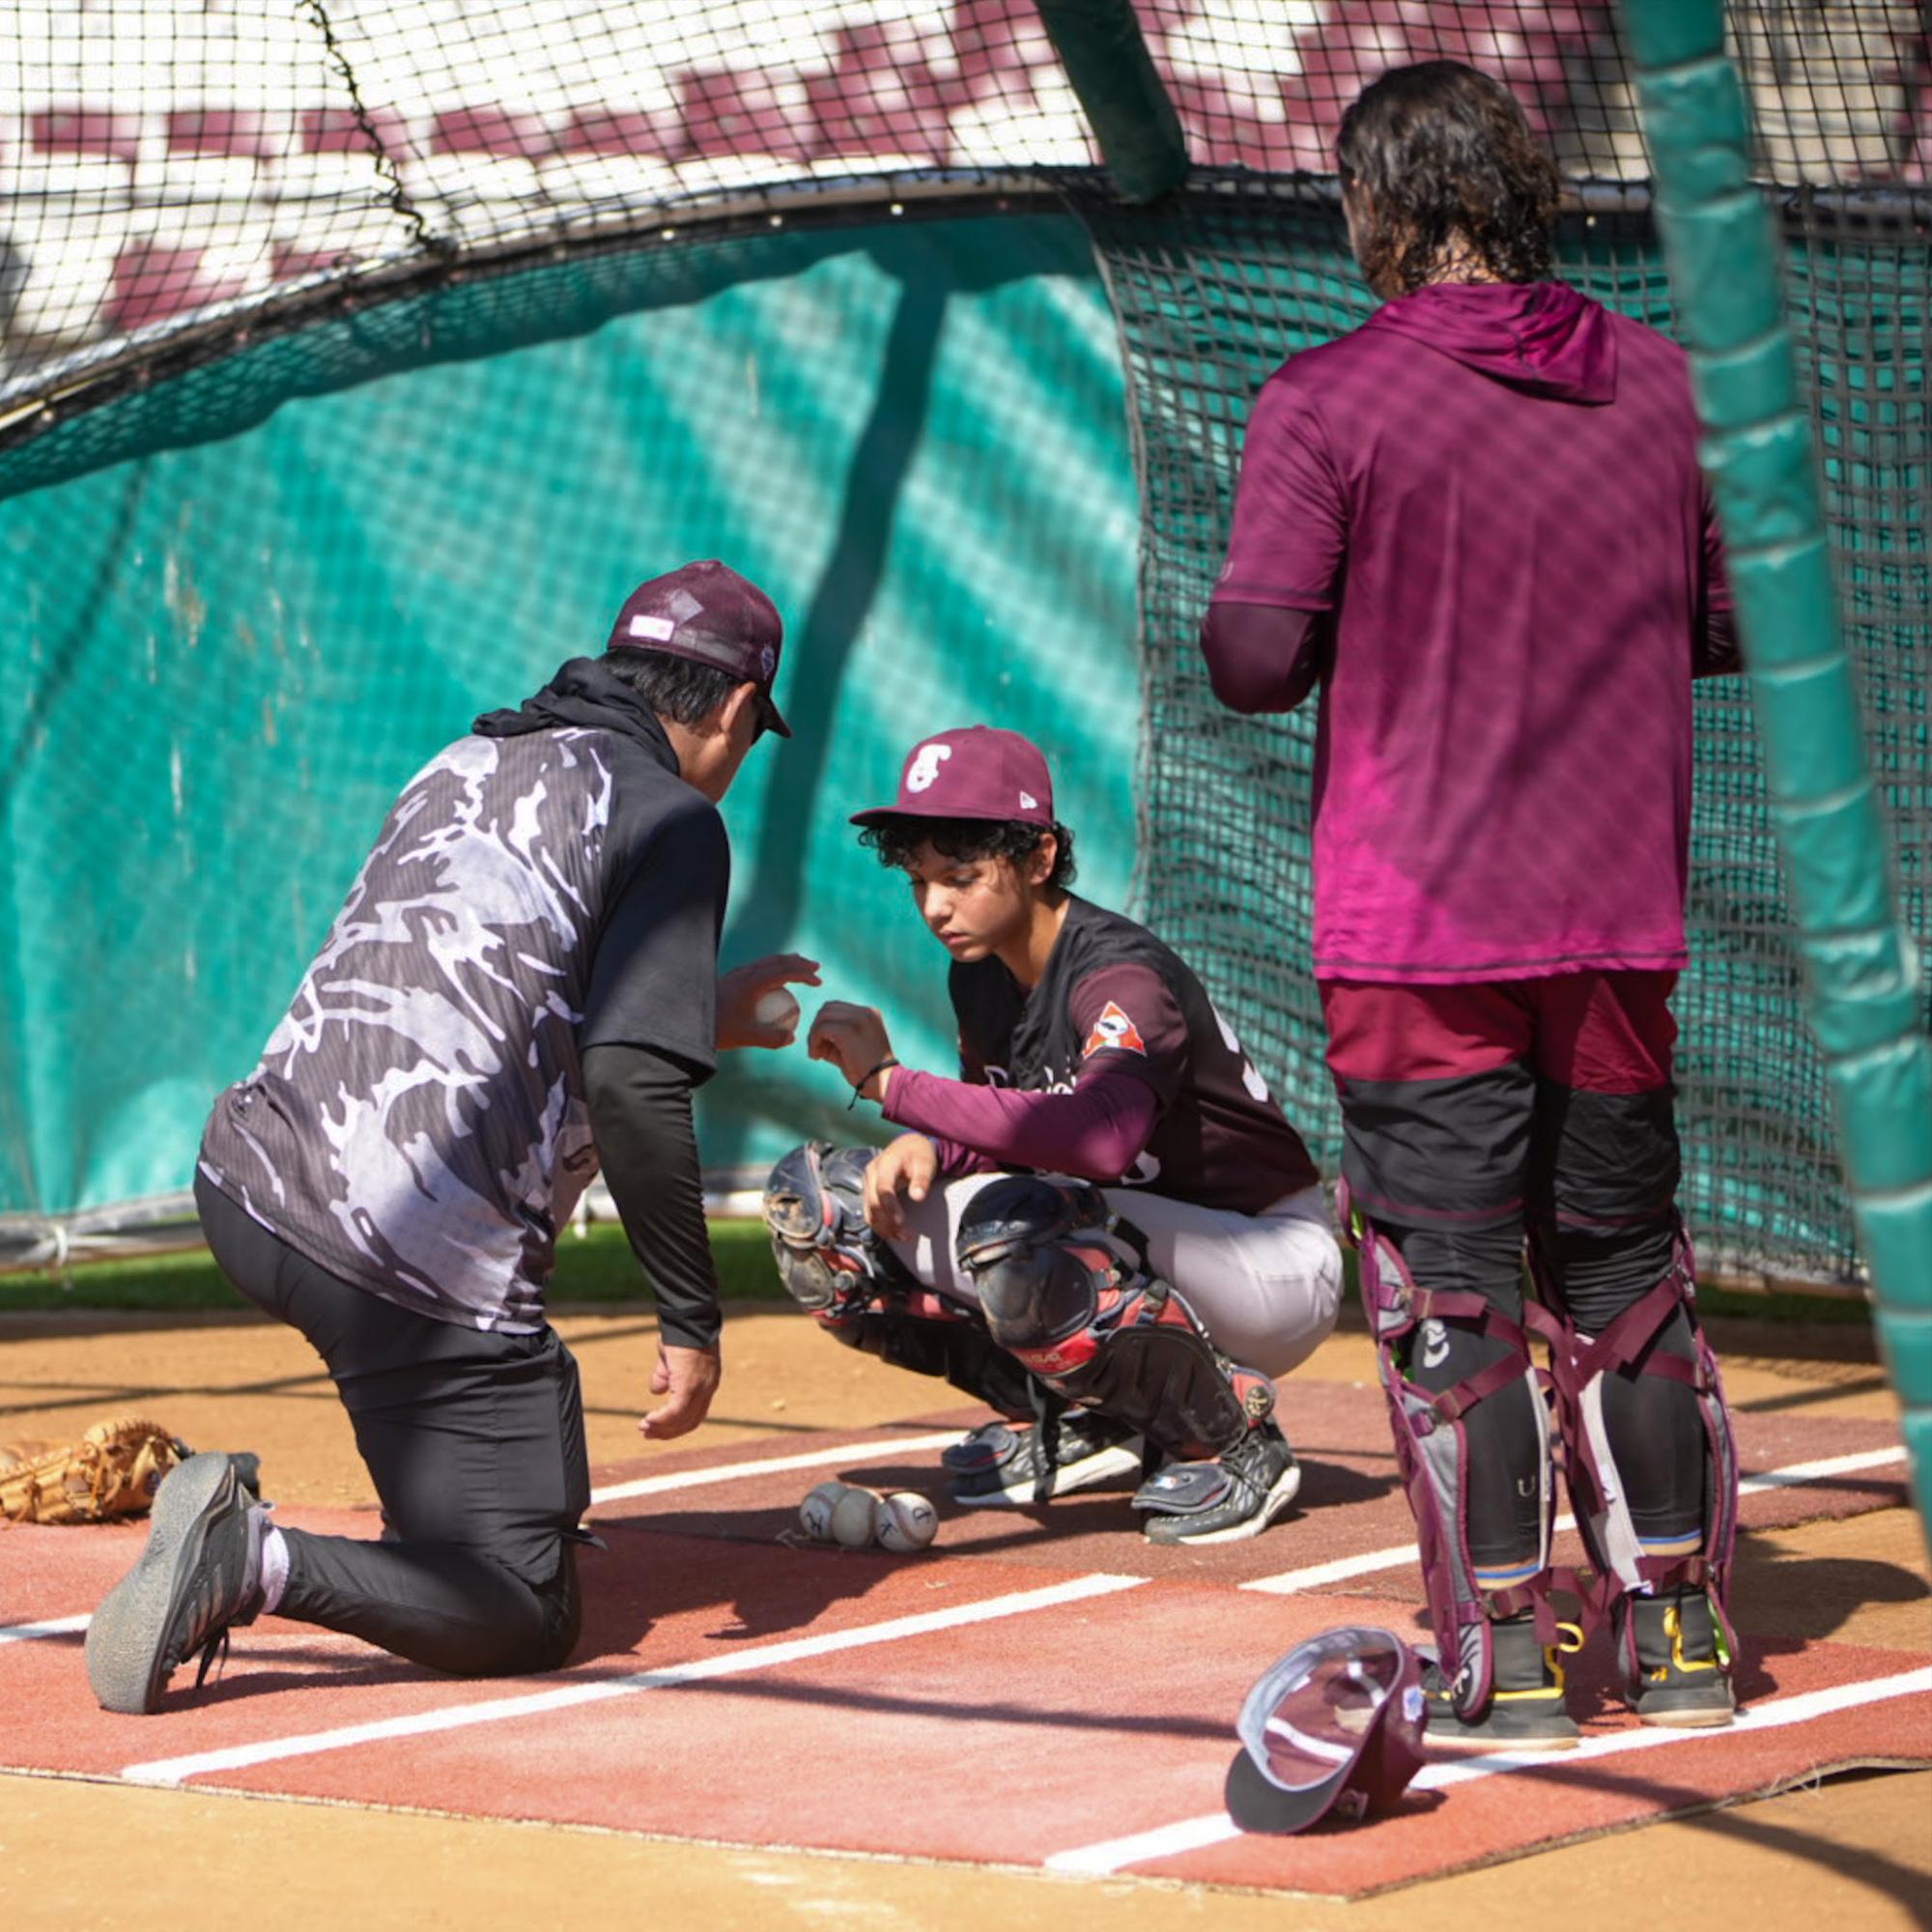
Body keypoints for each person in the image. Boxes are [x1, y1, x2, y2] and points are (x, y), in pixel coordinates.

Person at [1203, 62, 1743, 1746]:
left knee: (1450, 1291)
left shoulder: (1329, 400)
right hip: (1614, 911)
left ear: (1378, 204)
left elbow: (1248, 660)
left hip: (1420, 925)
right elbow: (1721, 628)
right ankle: (1680, 1636)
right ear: (1521, 195)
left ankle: (1499, 1658)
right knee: (1624, 1270)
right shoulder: (1665, 386)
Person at [88, 560, 817, 1715]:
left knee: (525, 1422)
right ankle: (251, 1557)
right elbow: (630, 1085)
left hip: (247, 1177)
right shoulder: (671, 815)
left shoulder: (470, 756)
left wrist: (700, 1003)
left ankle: (464, 1504)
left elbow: (483, 977)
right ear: (735, 710)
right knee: (519, 1604)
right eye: (748, 734)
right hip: (398, 1258)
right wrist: (690, 1317)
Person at [762, 724, 1343, 1546]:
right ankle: (1081, 1419)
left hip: (1266, 1260)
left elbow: (1101, 1139)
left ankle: (1233, 1440)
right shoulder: (980, 972)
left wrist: (894, 1086)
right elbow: (1014, 1128)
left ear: (1038, 858)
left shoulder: (1119, 974)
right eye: (921, 880)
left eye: (961, 877)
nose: (935, 906)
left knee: (1023, 1229)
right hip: (1138, 1241)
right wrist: (937, 1144)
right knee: (829, 1213)